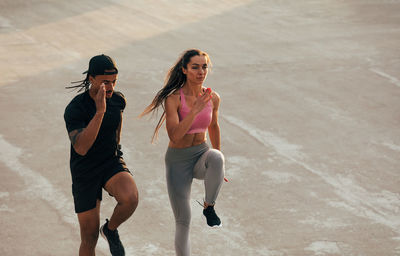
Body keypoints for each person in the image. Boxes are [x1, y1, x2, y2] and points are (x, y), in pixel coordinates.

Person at [140, 49, 225, 256]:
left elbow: (213, 126)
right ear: (184, 70)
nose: (200, 71)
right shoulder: (174, 99)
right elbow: (175, 136)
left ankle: (209, 206)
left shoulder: (212, 97)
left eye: (204, 66)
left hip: (201, 155)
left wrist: (219, 168)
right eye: (195, 67)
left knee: (217, 157)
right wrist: (194, 109)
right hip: (178, 161)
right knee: (183, 220)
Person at [64, 54, 139, 256]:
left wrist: (117, 154)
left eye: (114, 81)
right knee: (89, 238)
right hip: (85, 171)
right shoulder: (75, 109)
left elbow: (116, 132)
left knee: (130, 198)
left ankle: (110, 229)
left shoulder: (118, 101)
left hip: (109, 162)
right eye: (105, 82)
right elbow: (81, 148)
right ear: (91, 79)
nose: (111, 87)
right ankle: (100, 234)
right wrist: (99, 112)